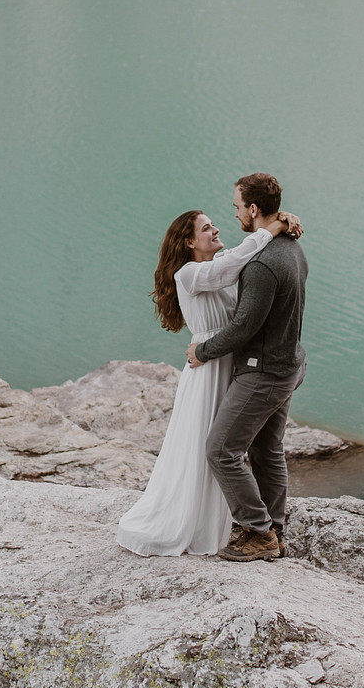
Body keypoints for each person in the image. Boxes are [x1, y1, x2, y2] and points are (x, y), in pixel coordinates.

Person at [116, 203, 302, 557]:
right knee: (209, 446)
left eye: (214, 223)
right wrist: (272, 228)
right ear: (188, 242)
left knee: (239, 444)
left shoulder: (221, 262)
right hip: (208, 367)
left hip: (233, 361)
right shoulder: (188, 274)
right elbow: (232, 266)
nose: (216, 229)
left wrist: (282, 219)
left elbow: (240, 260)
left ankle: (251, 524)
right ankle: (201, 520)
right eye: (206, 228)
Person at [186, 172, 307, 563]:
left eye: (237, 206)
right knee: (267, 450)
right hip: (288, 364)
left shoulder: (261, 265)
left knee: (220, 450)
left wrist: (203, 351)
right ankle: (275, 530)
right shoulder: (291, 247)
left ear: (253, 209)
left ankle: (257, 531)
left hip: (263, 373)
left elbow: (243, 327)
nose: (234, 212)